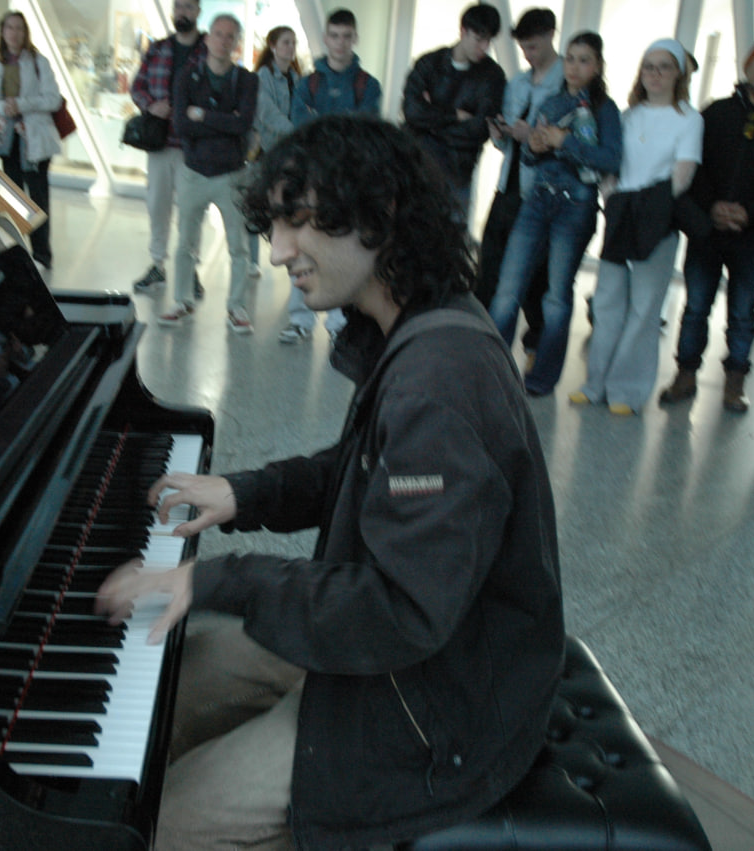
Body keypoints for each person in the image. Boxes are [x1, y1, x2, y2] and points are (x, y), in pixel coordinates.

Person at [94, 114, 563, 849]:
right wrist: (245, 494)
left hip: (440, 700)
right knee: (178, 678)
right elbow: (362, 468)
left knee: (173, 819)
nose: (278, 250)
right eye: (276, 224)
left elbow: (401, 610)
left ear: (380, 217)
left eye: (299, 222)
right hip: (412, 650)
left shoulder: (439, 382)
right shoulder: (417, 319)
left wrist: (218, 579)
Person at [660, 37, 754, 413]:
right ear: (748, 63)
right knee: (696, 306)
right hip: (707, 230)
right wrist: (711, 207)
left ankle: (735, 384)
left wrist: (752, 213)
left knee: (743, 311)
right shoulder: (717, 111)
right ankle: (685, 374)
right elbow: (696, 165)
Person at [571, 39, 702, 415]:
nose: (655, 74)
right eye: (649, 66)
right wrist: (613, 198)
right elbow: (611, 164)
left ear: (678, 74)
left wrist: (646, 206)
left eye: (664, 66)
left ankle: (626, 390)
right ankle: (595, 384)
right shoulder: (628, 116)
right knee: (608, 303)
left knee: (644, 309)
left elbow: (682, 174)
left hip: (657, 221)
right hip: (621, 217)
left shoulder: (689, 119)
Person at [488, 32, 621, 396]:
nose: (575, 67)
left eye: (584, 60)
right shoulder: (552, 101)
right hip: (537, 199)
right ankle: (489, 371)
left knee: (556, 297)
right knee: (507, 290)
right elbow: (531, 158)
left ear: (597, 66)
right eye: (571, 58)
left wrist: (566, 142)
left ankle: (541, 378)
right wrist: (533, 145)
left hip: (575, 206)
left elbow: (611, 160)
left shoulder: (605, 109)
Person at [282, 8, 383, 344]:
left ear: (354, 38)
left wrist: (321, 120)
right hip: (310, 181)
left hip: (349, 184)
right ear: (325, 38)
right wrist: (341, 122)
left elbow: (363, 133)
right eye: (334, 36)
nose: (340, 43)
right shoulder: (308, 84)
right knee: (303, 248)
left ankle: (340, 323)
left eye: (346, 36)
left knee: (343, 251)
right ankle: (300, 319)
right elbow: (301, 129)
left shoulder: (368, 86)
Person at [156, 14, 258, 333]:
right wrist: (224, 120)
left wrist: (202, 114)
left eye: (230, 36)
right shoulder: (187, 77)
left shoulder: (246, 80)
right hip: (194, 172)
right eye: (218, 34)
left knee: (238, 246)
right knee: (185, 242)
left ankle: (237, 306)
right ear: (208, 38)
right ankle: (181, 300)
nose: (223, 41)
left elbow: (242, 125)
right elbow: (181, 125)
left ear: (237, 43)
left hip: (231, 175)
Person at [477, 8, 563, 363]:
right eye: (523, 48)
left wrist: (533, 137)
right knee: (490, 266)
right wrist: (500, 134)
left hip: (542, 193)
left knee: (537, 276)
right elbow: (506, 143)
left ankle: (535, 343)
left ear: (550, 35)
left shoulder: (566, 85)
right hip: (508, 186)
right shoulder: (518, 85)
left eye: (533, 46)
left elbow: (570, 147)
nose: (528, 54)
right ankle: (481, 340)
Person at [130, 0, 206, 297]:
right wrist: (151, 105)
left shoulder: (208, 50)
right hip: (160, 143)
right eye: (178, 7)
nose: (182, 12)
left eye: (188, 7)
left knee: (191, 211)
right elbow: (137, 86)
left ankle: (190, 270)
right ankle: (157, 265)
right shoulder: (158, 48)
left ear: (198, 11)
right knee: (157, 207)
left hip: (193, 146)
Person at [402, 3, 506, 217]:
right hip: (417, 166)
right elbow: (411, 112)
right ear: (463, 32)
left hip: (457, 172)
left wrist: (431, 118)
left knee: (451, 232)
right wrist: (455, 115)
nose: (484, 47)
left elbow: (479, 129)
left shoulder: (492, 75)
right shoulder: (430, 64)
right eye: (479, 39)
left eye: (489, 41)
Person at [0, 10, 61, 270]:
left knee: (37, 200)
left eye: (19, 28)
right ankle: (17, 255)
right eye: (9, 27)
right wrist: (4, 107)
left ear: (26, 32)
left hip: (34, 140)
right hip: (9, 140)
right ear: (2, 31)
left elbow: (53, 99)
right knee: (13, 200)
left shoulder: (39, 62)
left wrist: (21, 104)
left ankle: (41, 255)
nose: (14, 33)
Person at [246, 25, 301, 286]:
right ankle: (251, 260)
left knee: (287, 208)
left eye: (293, 43)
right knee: (256, 207)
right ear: (273, 46)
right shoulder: (262, 77)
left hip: (289, 155)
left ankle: (288, 256)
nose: (290, 48)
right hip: (265, 152)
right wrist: (295, 132)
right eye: (286, 42)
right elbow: (266, 113)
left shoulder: (297, 78)